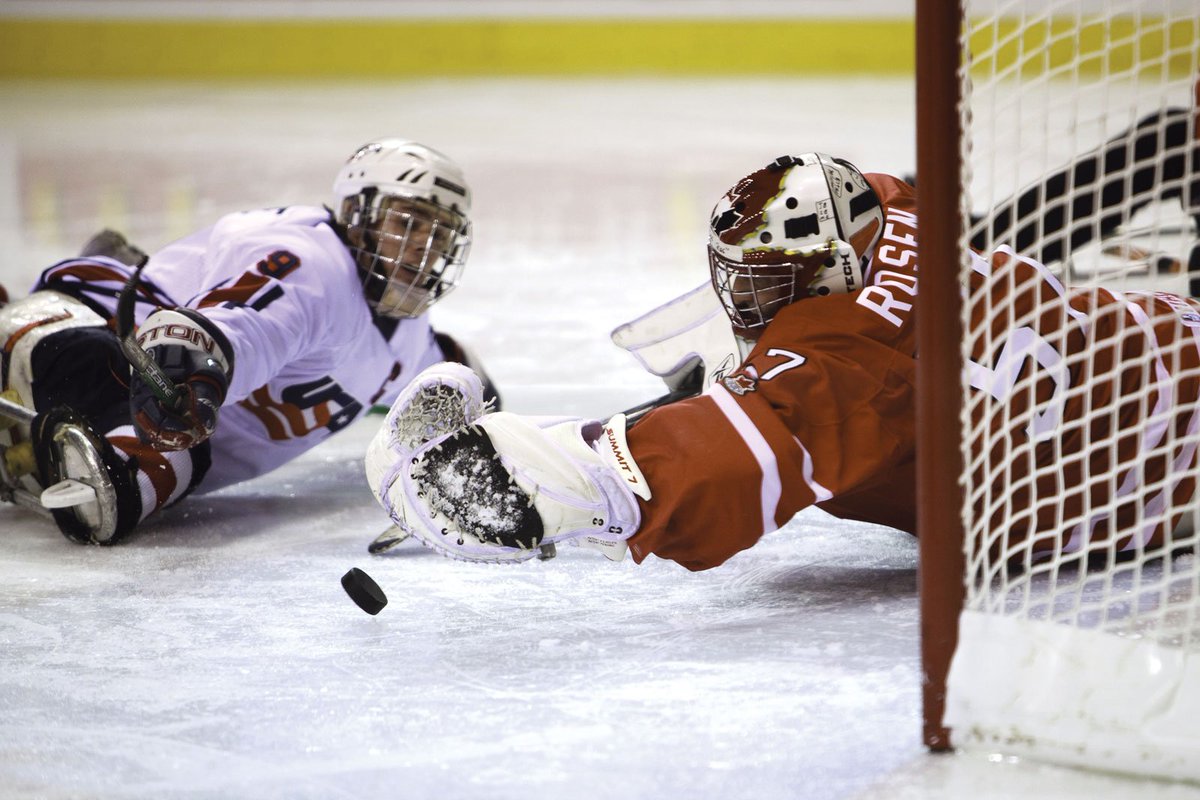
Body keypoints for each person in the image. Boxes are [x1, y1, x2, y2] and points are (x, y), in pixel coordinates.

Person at [364, 130, 1200, 570]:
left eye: (768, 284)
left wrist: (483, 483)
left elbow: (682, 473)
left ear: (834, 270)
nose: (746, 303)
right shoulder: (894, 213)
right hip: (1165, 339)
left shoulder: (848, 371)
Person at [0, 139, 495, 545]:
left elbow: (455, 382)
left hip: (163, 407)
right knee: (148, 464)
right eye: (406, 223)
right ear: (355, 212)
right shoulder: (312, 266)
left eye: (440, 235)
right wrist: (184, 369)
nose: (423, 247)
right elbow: (238, 328)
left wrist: (492, 441)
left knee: (161, 465)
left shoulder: (409, 338)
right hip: (98, 330)